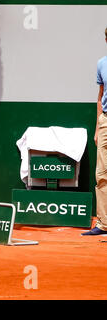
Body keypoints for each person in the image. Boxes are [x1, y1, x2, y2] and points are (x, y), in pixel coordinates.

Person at [83, 28, 107, 236]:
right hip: (106, 121)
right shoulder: (102, 63)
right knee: (102, 175)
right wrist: (98, 127)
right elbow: (100, 97)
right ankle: (104, 224)